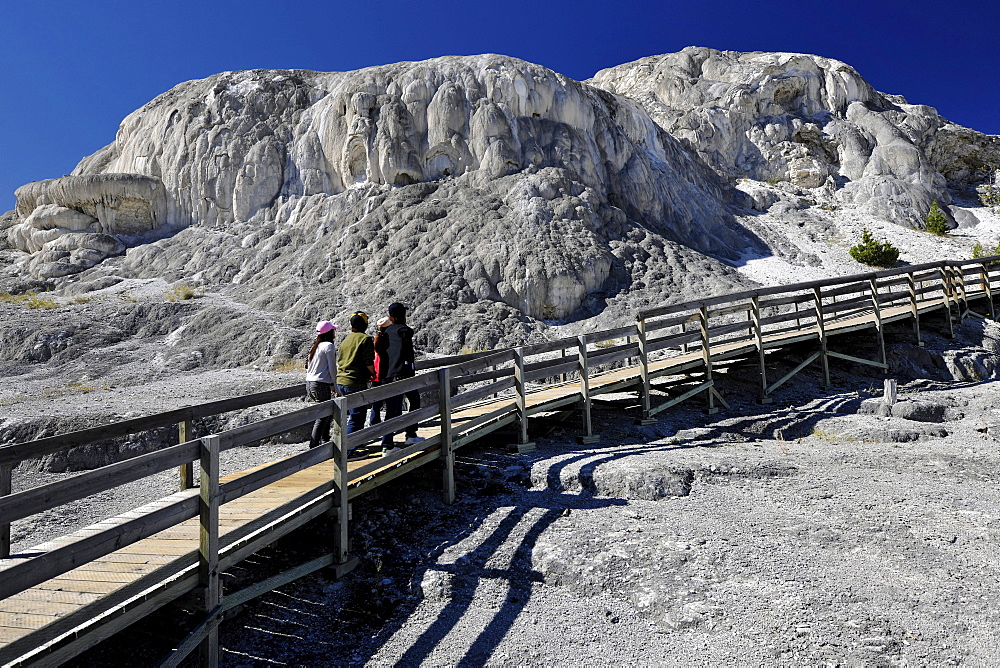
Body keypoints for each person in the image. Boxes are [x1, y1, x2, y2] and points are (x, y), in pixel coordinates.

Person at [377, 302, 424, 455]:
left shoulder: (385, 332)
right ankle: (389, 445)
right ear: (402, 315)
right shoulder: (404, 331)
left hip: (388, 376)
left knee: (394, 408)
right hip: (403, 376)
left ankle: (408, 435)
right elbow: (407, 352)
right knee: (406, 404)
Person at [336, 312, 375, 435]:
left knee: (348, 416)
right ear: (365, 324)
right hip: (355, 382)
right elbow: (369, 362)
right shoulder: (366, 339)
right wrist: (373, 373)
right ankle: (349, 450)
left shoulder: (346, 339)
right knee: (357, 417)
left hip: (341, 381)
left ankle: (355, 443)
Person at [305, 320, 338, 448]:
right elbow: (332, 369)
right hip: (320, 384)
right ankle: (314, 445)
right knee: (323, 417)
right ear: (330, 332)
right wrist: (335, 386)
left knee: (324, 414)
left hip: (310, 383)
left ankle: (324, 440)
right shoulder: (329, 346)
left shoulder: (316, 346)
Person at [368, 316, 391, 427]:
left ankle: (374, 423)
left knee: (376, 403)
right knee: (390, 402)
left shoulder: (376, 340)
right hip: (384, 375)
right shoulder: (386, 340)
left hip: (375, 376)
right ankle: (388, 426)